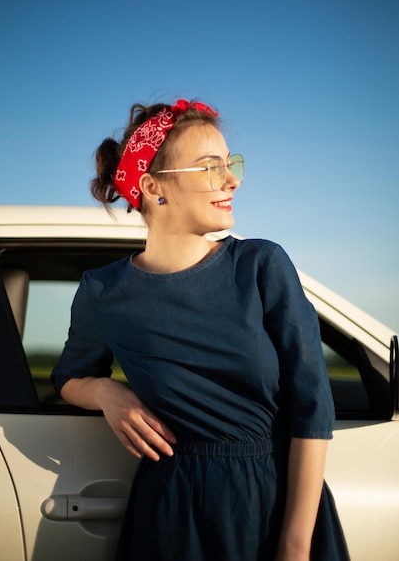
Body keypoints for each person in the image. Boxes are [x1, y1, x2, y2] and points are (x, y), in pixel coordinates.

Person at [52, 99, 350, 561]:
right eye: (211, 168)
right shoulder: (104, 291)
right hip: (173, 512)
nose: (232, 180)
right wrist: (107, 394)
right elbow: (68, 378)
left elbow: (313, 405)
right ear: (154, 187)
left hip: (277, 502)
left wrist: (294, 546)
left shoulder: (260, 266)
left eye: (231, 165)